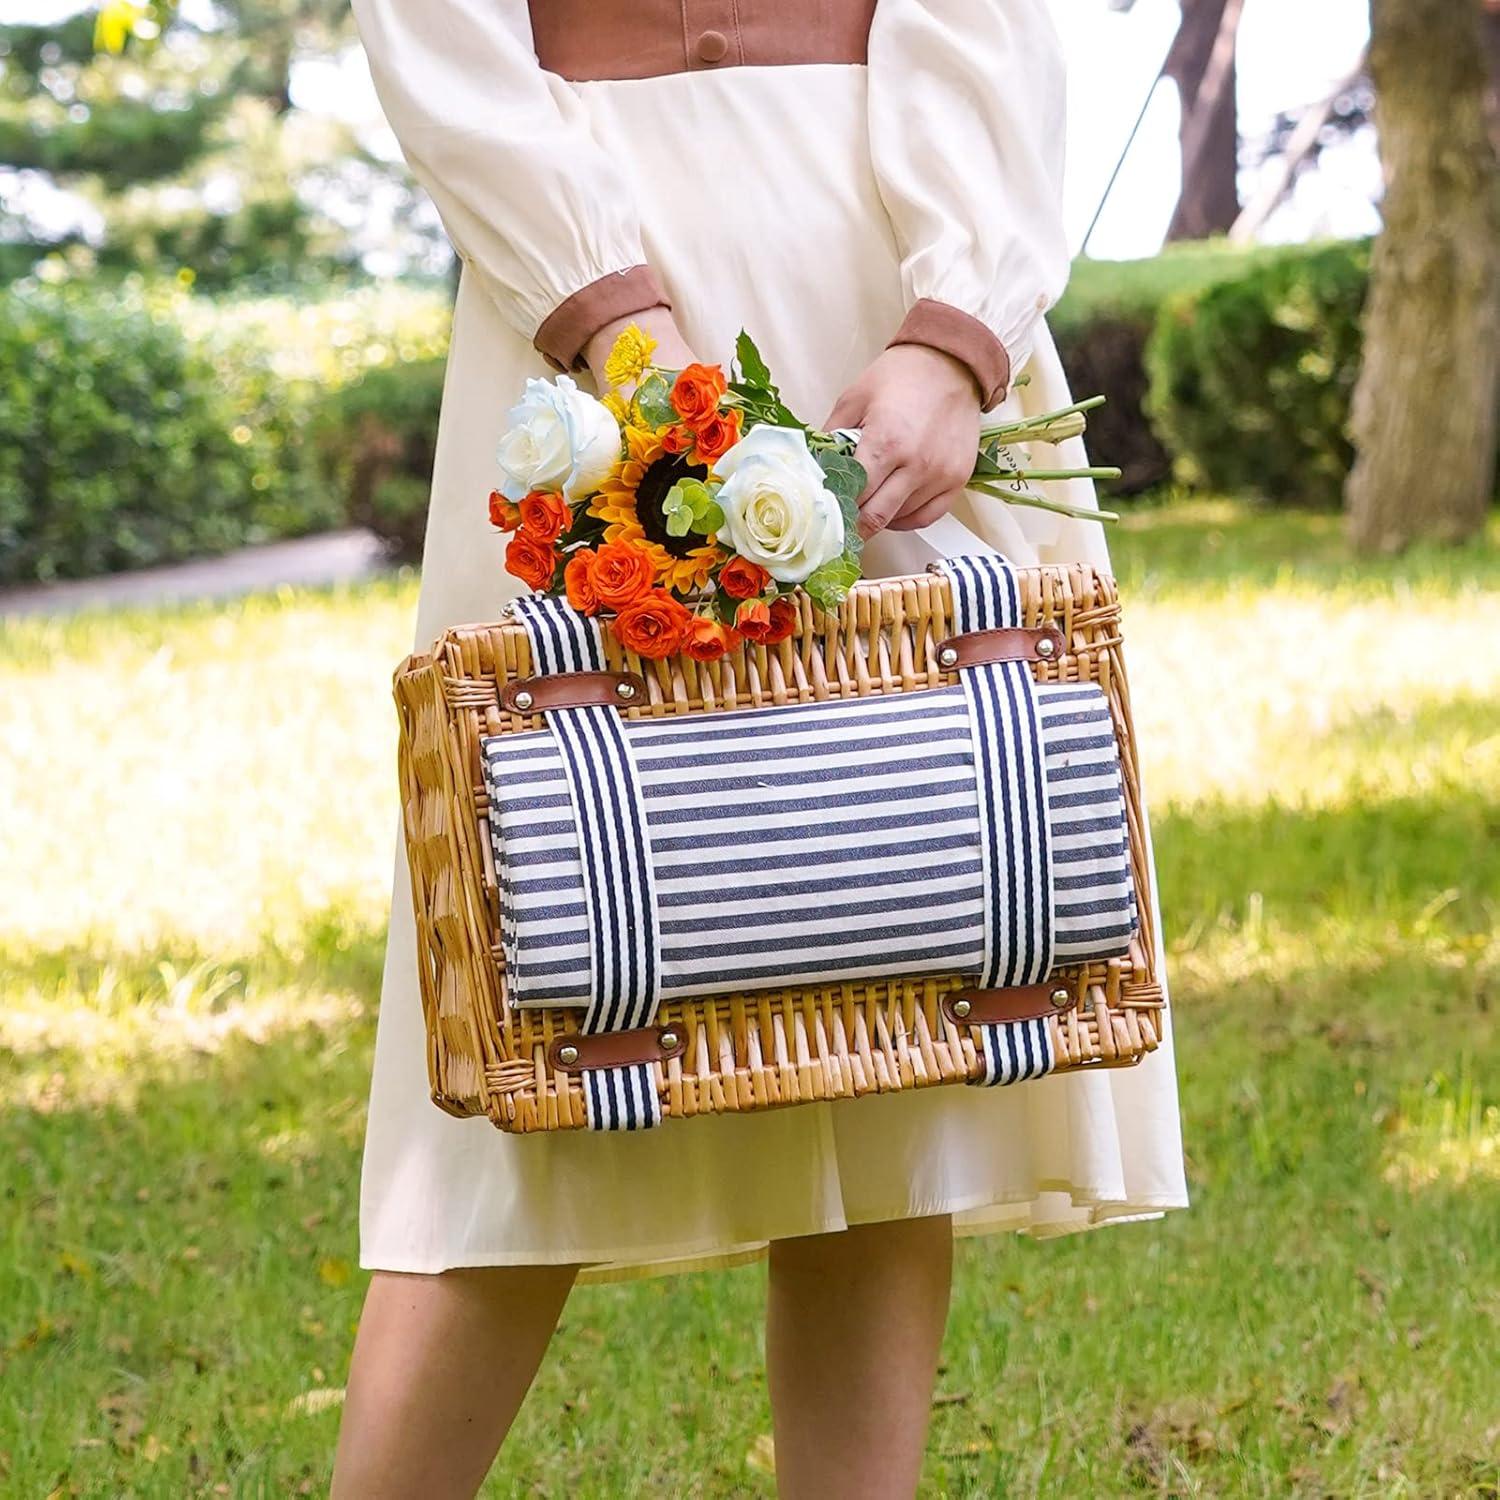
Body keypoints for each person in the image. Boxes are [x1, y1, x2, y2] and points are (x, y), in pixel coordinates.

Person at [333, 2, 1188, 1495]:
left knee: (890, 955)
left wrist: (954, 334)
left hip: (883, 276)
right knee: (549, 957)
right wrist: (621, 328)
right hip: (591, 312)